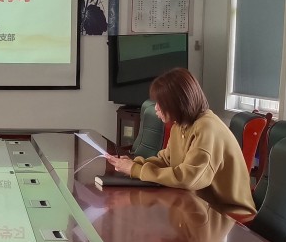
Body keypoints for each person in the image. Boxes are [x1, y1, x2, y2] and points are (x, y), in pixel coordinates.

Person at [107, 68, 256, 218]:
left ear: (177, 103)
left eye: (160, 103)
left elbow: (189, 179)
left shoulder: (207, 128)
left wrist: (136, 170)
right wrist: (134, 164)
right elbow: (166, 161)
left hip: (226, 214)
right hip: (199, 206)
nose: (156, 108)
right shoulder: (179, 126)